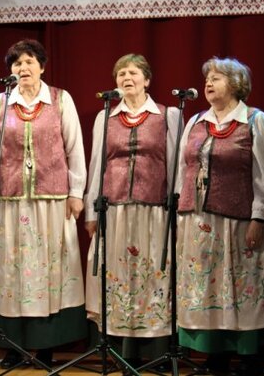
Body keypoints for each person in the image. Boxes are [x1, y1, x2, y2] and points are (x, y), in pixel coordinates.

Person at [0, 39, 87, 368]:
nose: (23, 68)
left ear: (42, 67)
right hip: (10, 201)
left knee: (48, 270)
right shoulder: (0, 102)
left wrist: (76, 192)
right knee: (12, 271)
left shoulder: (61, 100)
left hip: (51, 202)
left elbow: (74, 147)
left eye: (29, 62)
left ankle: (46, 344)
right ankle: (13, 344)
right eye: (17, 64)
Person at [176, 57, 264, 376]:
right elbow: (183, 170)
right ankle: (215, 355)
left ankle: (249, 356)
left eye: (217, 78)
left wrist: (259, 217)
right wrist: (182, 213)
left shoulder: (254, 120)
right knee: (207, 285)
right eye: (207, 78)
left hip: (238, 219)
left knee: (241, 284)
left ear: (236, 84)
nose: (208, 83)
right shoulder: (195, 121)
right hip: (198, 220)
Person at [84, 53, 181, 366]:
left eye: (133, 73)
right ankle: (119, 349)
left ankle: (155, 350)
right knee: (119, 275)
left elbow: (176, 165)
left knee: (152, 274)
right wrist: (91, 211)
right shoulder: (106, 117)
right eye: (121, 74)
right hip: (115, 211)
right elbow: (97, 164)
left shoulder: (167, 115)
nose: (126, 78)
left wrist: (177, 209)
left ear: (147, 80)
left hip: (154, 210)